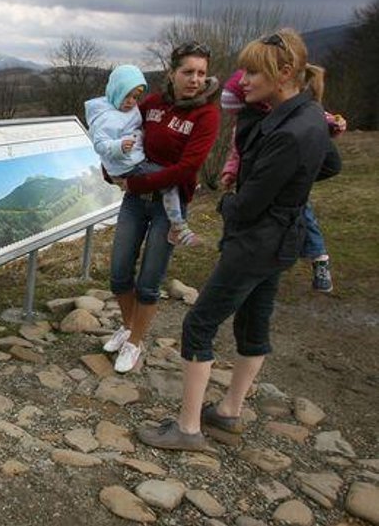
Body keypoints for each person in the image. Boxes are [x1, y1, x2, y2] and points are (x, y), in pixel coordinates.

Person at [137, 29, 341, 451]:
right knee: (253, 324)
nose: (242, 80)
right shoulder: (309, 116)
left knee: (199, 323)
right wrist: (291, 185)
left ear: (284, 73)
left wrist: (226, 203)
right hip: (282, 242)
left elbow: (246, 205)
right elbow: (330, 165)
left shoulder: (288, 130)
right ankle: (229, 412)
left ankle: (188, 428)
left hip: (255, 241)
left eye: (252, 72)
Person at [102, 42, 221, 373]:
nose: (195, 79)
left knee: (149, 280)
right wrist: (110, 170)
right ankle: (129, 328)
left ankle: (135, 342)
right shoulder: (152, 103)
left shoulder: (207, 115)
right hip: (134, 201)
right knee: (119, 273)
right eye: (187, 72)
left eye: (201, 73)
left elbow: (187, 167)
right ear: (172, 73)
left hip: (170, 209)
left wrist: (136, 182)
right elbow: (122, 135)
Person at [220, 69, 346, 293]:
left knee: (306, 216)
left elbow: (327, 153)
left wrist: (333, 126)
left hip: (266, 224)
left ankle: (319, 257)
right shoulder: (249, 124)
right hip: (267, 230)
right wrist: (231, 172)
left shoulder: (288, 123)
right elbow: (236, 153)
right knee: (259, 303)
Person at [85, 65, 203, 248]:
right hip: (129, 166)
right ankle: (178, 227)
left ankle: (177, 227)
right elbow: (99, 145)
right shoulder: (104, 118)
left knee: (168, 182)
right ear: (116, 91)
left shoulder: (126, 110)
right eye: (127, 96)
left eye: (136, 96)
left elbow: (136, 125)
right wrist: (119, 147)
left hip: (135, 161)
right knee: (169, 182)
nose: (132, 102)